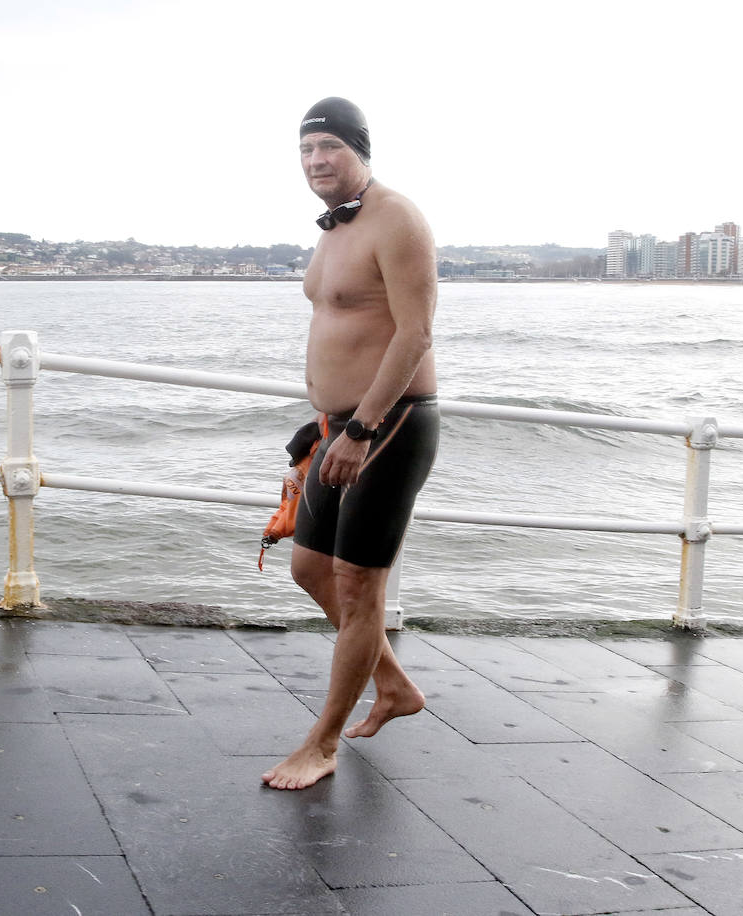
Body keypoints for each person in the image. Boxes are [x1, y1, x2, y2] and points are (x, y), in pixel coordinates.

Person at [262, 97, 440, 791]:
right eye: (306, 151)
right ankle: (394, 687)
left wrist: (362, 427)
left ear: (360, 150)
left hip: (388, 427)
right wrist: (329, 422)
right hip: (339, 430)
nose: (316, 162)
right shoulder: (334, 229)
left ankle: (323, 743)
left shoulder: (397, 218)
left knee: (359, 588)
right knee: (310, 567)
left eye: (329, 147)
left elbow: (414, 333)